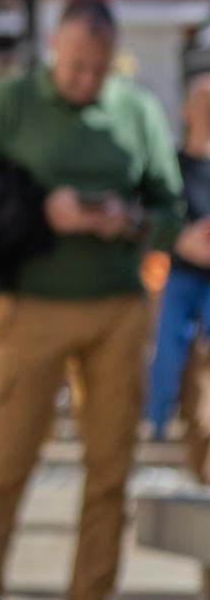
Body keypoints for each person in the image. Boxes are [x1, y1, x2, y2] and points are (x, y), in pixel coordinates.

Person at [0, 0, 209, 600]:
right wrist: (44, 212)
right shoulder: (14, 102)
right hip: (33, 305)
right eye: (74, 67)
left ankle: (91, 592)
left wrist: (127, 219)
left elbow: (170, 209)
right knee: (9, 466)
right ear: (54, 52)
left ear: (112, 59)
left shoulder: (136, 109)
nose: (85, 80)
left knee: (109, 472)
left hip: (117, 309)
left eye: (96, 69)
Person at [147, 75, 210, 438]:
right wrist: (182, 239)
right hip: (182, 274)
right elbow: (161, 216)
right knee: (167, 354)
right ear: (187, 111)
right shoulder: (173, 164)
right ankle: (156, 426)